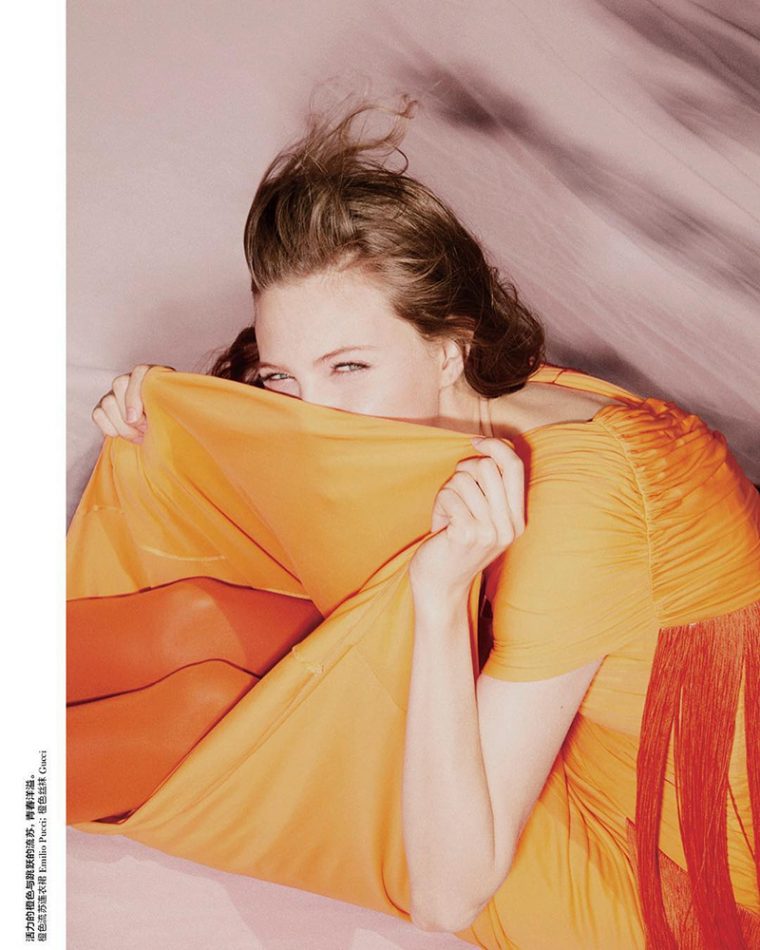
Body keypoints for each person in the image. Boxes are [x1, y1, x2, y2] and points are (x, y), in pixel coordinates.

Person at [68, 97, 760, 948]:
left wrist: (437, 603)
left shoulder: (585, 504)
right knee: (197, 621)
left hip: (670, 869)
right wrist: (170, 428)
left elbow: (448, 896)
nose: (309, 413)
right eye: (284, 376)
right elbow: (329, 514)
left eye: (348, 367)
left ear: (446, 348)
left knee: (209, 717)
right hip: (567, 736)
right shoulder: (500, 394)